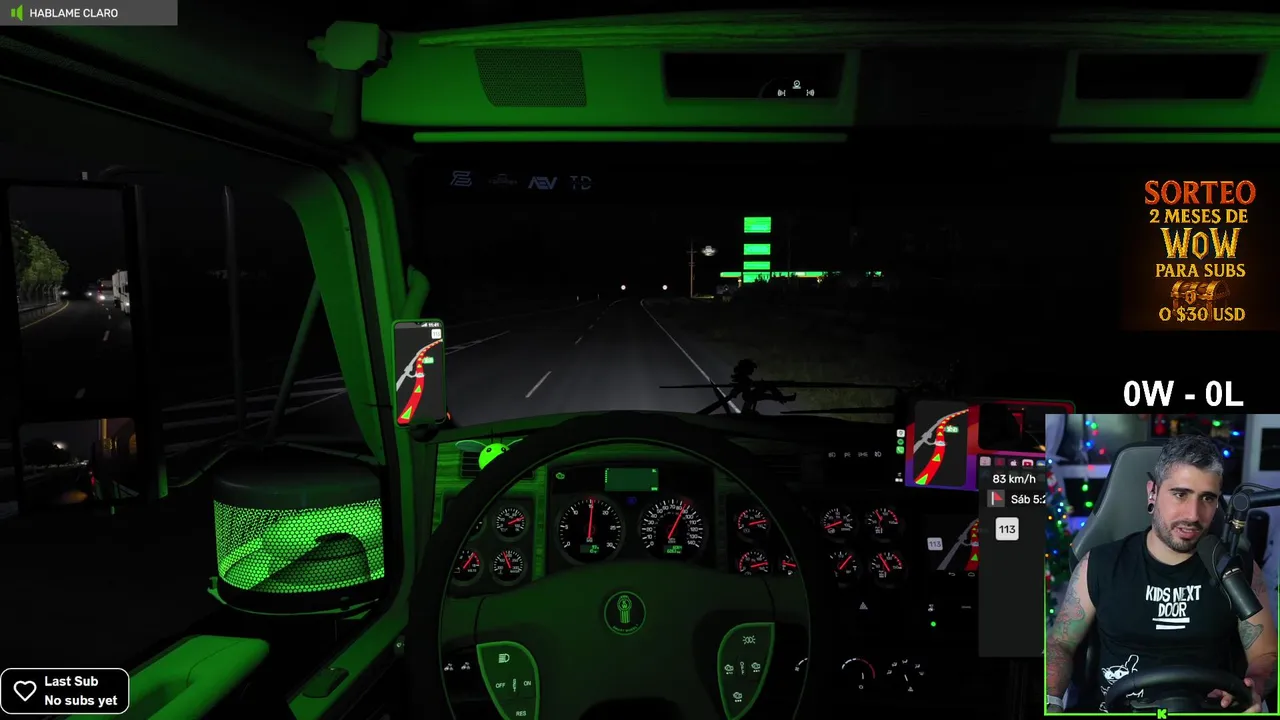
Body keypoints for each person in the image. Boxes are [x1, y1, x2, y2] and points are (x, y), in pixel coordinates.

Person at [1045, 433, 1278, 713]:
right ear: (1152, 493)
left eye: (1207, 498)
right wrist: (1052, 701)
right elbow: (1060, 643)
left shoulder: (1236, 569)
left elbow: (1266, 654)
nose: (1193, 515)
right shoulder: (1099, 565)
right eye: (1180, 494)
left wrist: (1254, 686)